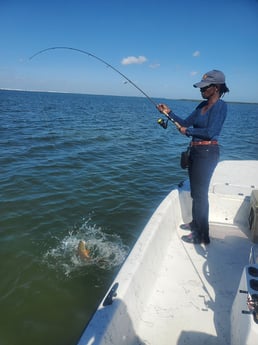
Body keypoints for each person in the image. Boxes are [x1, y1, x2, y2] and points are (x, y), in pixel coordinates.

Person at [157, 69, 229, 244]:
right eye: (201, 86)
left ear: (216, 87)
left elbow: (211, 131)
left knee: (200, 194)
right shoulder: (201, 106)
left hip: (207, 153)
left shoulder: (221, 106)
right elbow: (184, 123)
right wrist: (168, 113)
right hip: (195, 152)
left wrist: (188, 132)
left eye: (205, 87)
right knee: (195, 194)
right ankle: (196, 223)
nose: (201, 89)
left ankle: (202, 235)